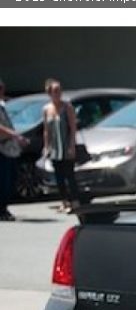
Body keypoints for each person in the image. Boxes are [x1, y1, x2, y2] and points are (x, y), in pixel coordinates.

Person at [42, 78, 79, 213]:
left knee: (69, 175)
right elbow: (46, 130)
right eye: (55, 91)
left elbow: (73, 127)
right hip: (55, 148)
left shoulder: (67, 107)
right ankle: (64, 201)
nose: (58, 93)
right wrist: (46, 146)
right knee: (59, 177)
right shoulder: (46, 109)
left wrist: (72, 146)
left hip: (66, 146)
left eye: (59, 90)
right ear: (49, 93)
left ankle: (75, 201)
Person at [0, 78, 29, 221]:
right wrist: (15, 135)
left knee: (10, 180)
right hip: (2, 149)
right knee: (3, 181)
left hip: (8, 148)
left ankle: (3, 208)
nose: (2, 91)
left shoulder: (2, 106)